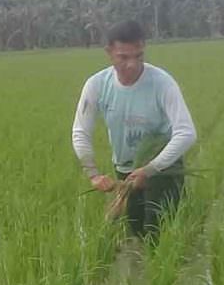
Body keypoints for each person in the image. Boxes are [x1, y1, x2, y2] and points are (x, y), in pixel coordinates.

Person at [71, 20, 197, 239]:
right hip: (126, 170)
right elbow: (80, 132)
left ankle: (161, 270)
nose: (133, 64)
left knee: (159, 233)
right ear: (109, 52)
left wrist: (150, 169)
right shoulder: (97, 84)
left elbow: (186, 132)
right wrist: (93, 174)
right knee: (136, 230)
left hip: (163, 169)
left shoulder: (162, 83)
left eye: (138, 56)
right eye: (124, 57)